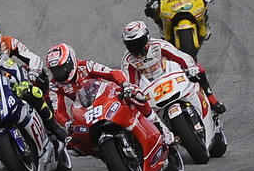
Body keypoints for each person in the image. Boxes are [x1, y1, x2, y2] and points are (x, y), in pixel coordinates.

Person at [43, 43, 171, 142]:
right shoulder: (54, 85)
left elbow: (111, 73)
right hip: (86, 109)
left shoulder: (86, 66)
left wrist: (124, 84)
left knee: (136, 94)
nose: (60, 73)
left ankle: (160, 127)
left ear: (71, 62)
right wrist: (66, 123)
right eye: (55, 71)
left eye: (62, 68)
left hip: (107, 96)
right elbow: (58, 110)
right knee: (73, 145)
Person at [120, 19, 226, 114]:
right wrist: (130, 90)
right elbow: (129, 81)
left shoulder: (159, 45)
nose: (135, 47)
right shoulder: (127, 60)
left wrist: (191, 67)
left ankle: (212, 100)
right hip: (148, 85)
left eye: (138, 42)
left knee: (199, 70)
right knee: (132, 105)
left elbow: (180, 56)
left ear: (146, 37)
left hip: (168, 74)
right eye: (131, 44)